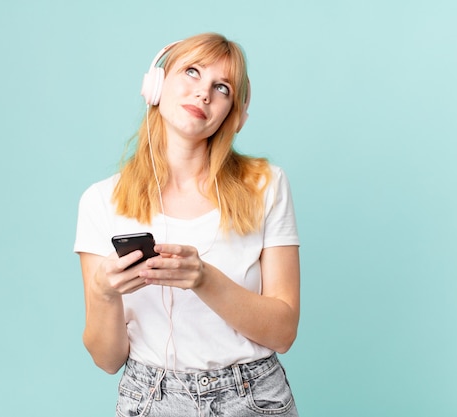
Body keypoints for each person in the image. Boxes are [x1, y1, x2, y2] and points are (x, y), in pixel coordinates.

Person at [74, 32, 300, 417]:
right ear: (156, 85)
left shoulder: (265, 185)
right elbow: (108, 360)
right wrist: (104, 293)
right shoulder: (101, 201)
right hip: (150, 398)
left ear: (234, 113)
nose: (203, 93)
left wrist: (203, 278)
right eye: (191, 72)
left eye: (222, 87)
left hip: (254, 397)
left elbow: (283, 333)